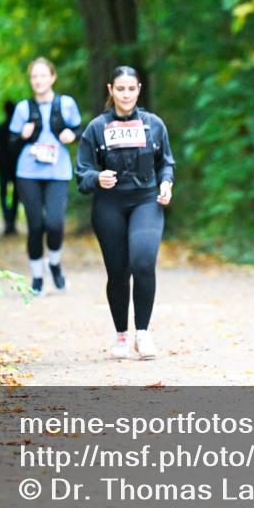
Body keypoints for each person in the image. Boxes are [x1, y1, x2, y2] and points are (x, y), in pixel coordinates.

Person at [75, 66, 175, 360]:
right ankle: (121, 337)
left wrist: (167, 183)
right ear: (110, 90)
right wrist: (97, 178)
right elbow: (81, 174)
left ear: (139, 89)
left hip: (146, 201)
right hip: (110, 205)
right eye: (120, 89)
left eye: (131, 89)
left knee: (143, 262)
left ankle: (142, 335)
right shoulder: (96, 128)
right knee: (118, 272)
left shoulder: (154, 124)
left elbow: (166, 162)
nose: (126, 94)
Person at [9, 57, 82, 296]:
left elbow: (80, 129)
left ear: (52, 77)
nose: (38, 80)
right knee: (36, 225)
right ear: (31, 81)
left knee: (54, 223)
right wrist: (22, 136)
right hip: (27, 172)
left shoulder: (66, 104)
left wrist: (72, 135)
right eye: (34, 76)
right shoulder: (23, 108)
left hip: (58, 171)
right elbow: (9, 146)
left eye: (42, 75)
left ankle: (55, 264)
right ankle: (37, 278)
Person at [0, 100, 21, 235]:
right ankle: (11, 222)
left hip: (3, 167)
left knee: (3, 194)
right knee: (15, 195)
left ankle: (8, 222)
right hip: (15, 167)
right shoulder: (17, 130)